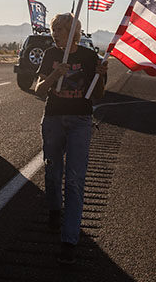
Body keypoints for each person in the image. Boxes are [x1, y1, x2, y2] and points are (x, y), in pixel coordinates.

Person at [34, 13, 107, 265]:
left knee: (74, 180)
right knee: (53, 173)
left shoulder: (88, 57)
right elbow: (39, 90)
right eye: (54, 30)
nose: (55, 34)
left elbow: (96, 95)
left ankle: (69, 240)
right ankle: (55, 209)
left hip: (80, 122)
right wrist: (55, 76)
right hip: (53, 119)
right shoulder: (50, 56)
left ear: (73, 33)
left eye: (60, 31)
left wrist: (101, 75)